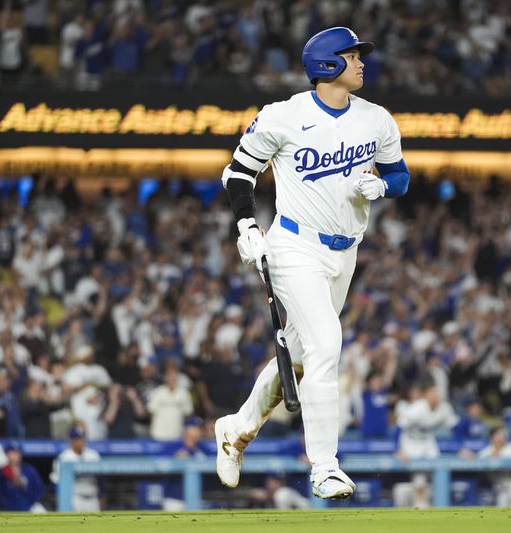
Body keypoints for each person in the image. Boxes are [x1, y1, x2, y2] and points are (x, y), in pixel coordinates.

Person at [214, 26, 409, 500]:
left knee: (300, 359)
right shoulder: (284, 115)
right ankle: (324, 467)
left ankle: (237, 428)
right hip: (294, 246)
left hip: (345, 252)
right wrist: (246, 226)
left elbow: (400, 174)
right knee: (326, 344)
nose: (362, 62)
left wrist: (382, 187)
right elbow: (238, 172)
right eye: (352, 55)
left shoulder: (376, 119)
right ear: (328, 64)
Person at [392, 380, 457, 508]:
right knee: (419, 476)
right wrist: (398, 449)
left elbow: (456, 428)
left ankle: (438, 503)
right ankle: (420, 505)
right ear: (425, 395)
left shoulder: (444, 408)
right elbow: (399, 428)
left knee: (439, 468)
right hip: (411, 441)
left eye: (437, 393)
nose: (435, 396)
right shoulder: (416, 409)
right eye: (432, 393)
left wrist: (461, 447)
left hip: (428, 441)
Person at [50, 426, 101, 512]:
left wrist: (102, 495)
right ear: (71, 441)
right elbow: (56, 481)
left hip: (93, 498)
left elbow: (101, 478)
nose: (79, 442)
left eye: (81, 438)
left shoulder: (93, 455)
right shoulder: (64, 457)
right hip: (74, 498)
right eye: (76, 439)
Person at [0, 442, 47, 513]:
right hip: (7, 510)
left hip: (29, 508)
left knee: (41, 511)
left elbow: (40, 491)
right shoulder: (2, 472)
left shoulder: (29, 470)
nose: (15, 456)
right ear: (6, 454)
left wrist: (23, 485)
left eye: (17, 452)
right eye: (12, 453)